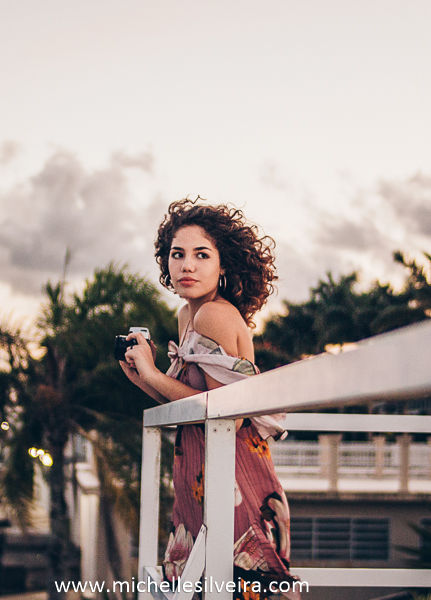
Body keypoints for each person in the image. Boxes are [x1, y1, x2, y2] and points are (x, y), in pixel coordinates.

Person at [120, 197, 298, 600]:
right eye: (177, 254)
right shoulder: (188, 316)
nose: (187, 265)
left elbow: (228, 416)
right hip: (201, 478)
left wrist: (152, 374)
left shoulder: (213, 315)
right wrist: (141, 378)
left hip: (232, 480)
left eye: (202, 255)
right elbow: (188, 405)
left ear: (223, 265)